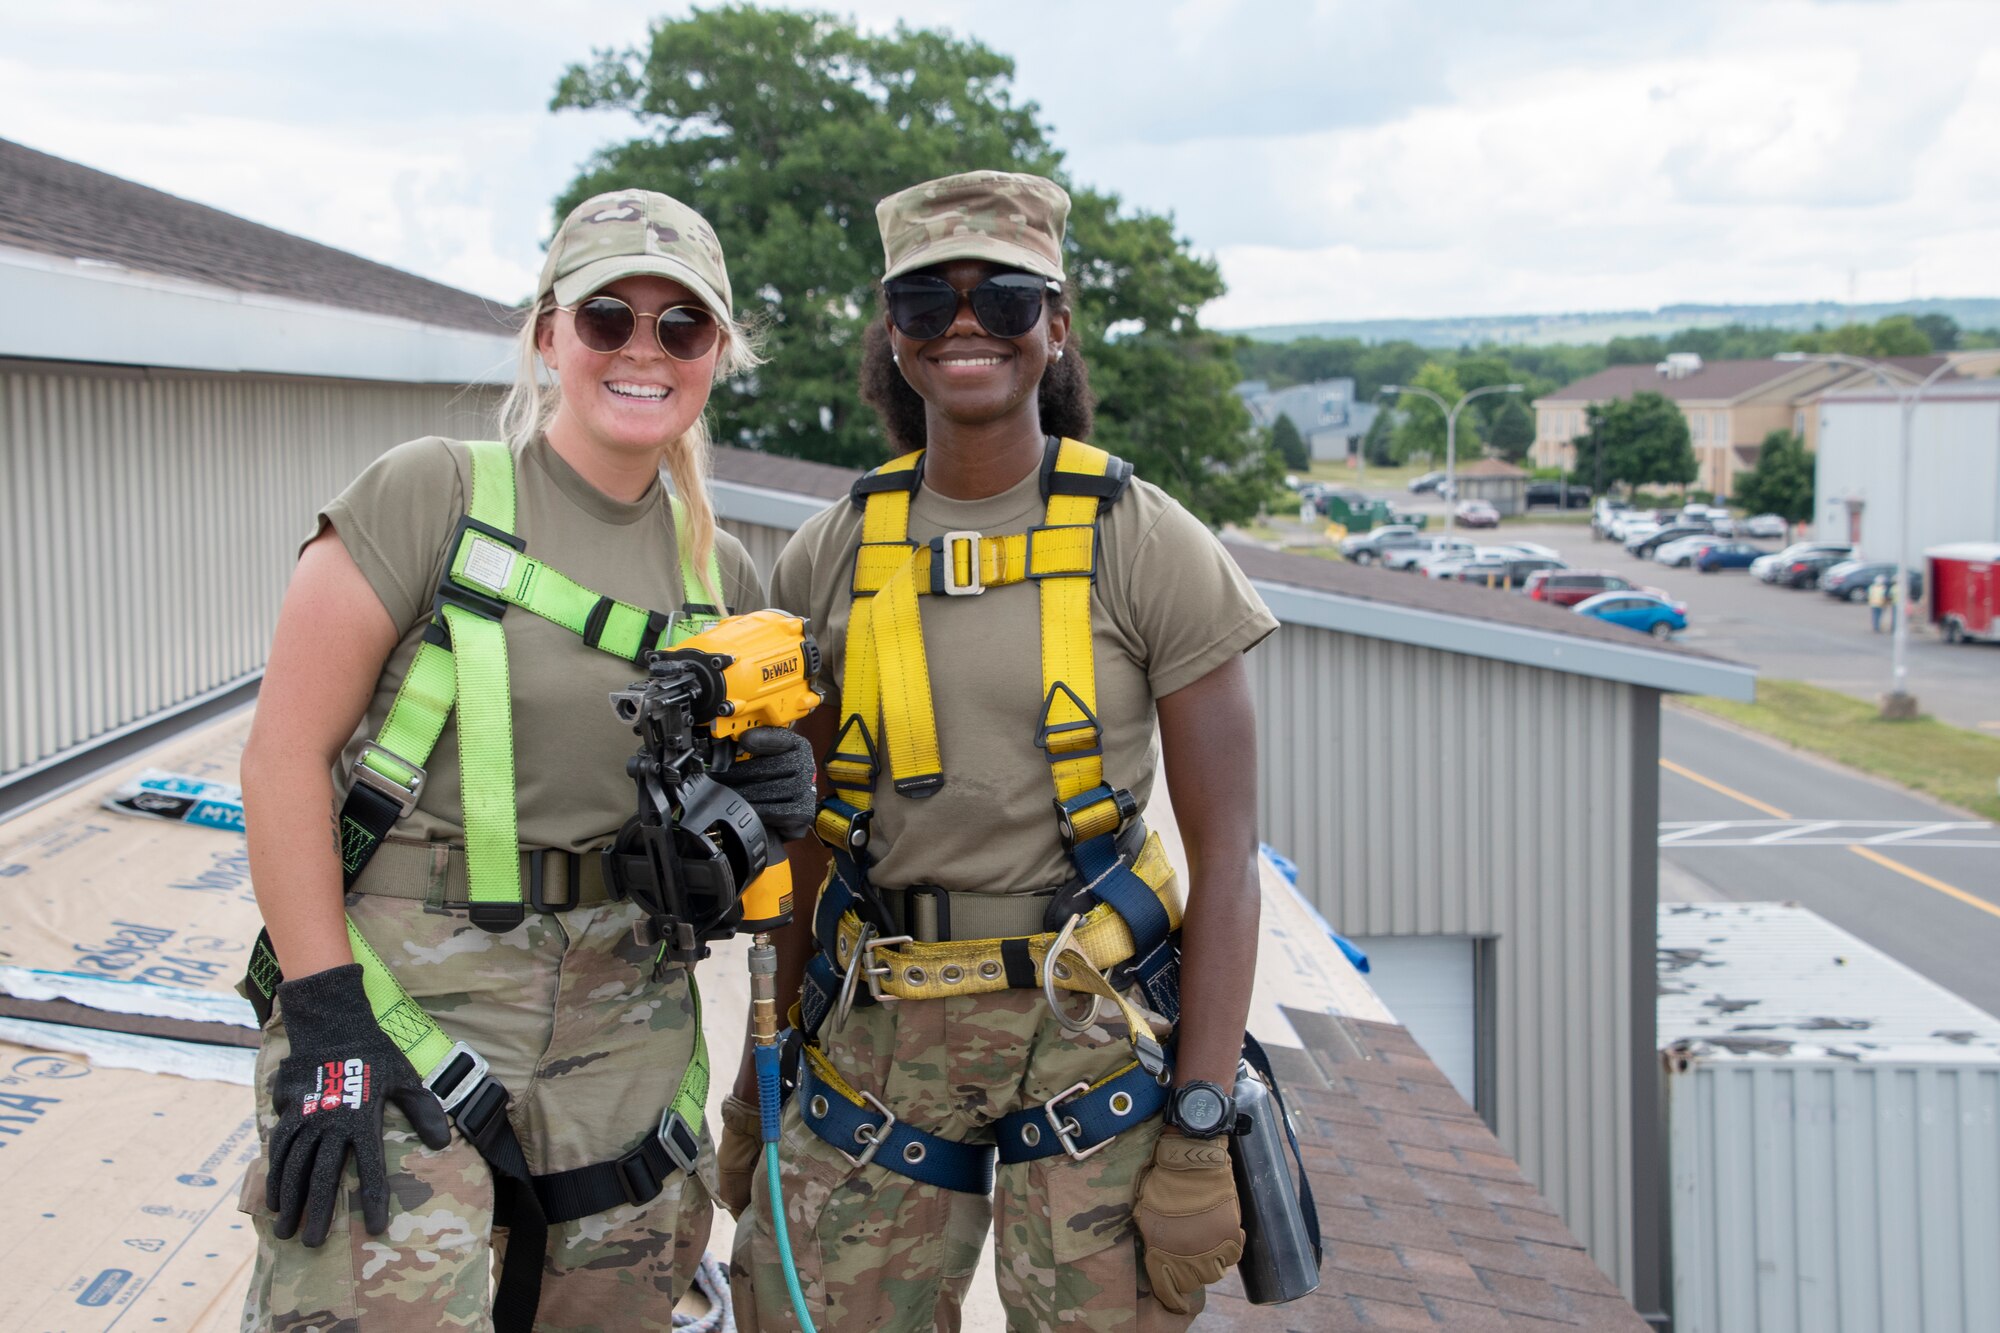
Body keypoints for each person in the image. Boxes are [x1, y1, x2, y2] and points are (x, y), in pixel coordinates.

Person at [236, 189, 816, 1330]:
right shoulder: (431, 495)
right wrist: (329, 1024)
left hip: (627, 1021)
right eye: (607, 317)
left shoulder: (723, 583)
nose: (641, 350)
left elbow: (707, 826)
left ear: (715, 355)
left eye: (679, 327)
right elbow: (281, 759)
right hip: (409, 989)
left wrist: (761, 800)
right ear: (550, 334)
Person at [724, 170, 1279, 1332]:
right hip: (873, 1024)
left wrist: (1197, 1116)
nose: (965, 323)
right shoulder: (826, 559)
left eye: (1006, 298)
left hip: (1088, 1031)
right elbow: (811, 843)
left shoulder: (1147, 544)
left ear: (1057, 326)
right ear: (893, 335)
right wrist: (756, 1076)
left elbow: (1228, 859)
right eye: (927, 302)